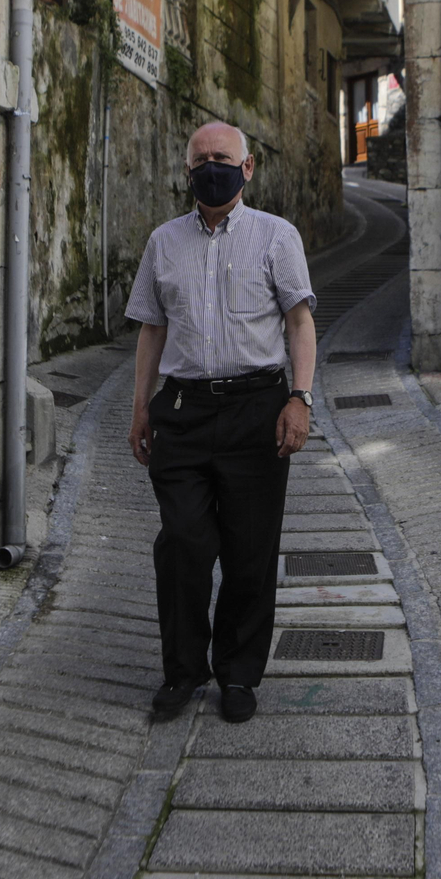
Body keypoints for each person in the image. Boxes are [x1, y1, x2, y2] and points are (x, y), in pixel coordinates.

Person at [125, 122, 317, 724]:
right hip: (181, 412)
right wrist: (140, 408)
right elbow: (151, 330)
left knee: (249, 551)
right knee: (183, 544)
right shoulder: (163, 243)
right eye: (201, 159)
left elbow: (299, 323)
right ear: (187, 171)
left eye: (223, 158)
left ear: (248, 167)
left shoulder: (276, 238)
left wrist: (300, 398)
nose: (212, 167)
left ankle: (238, 674)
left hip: (256, 409)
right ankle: (183, 671)